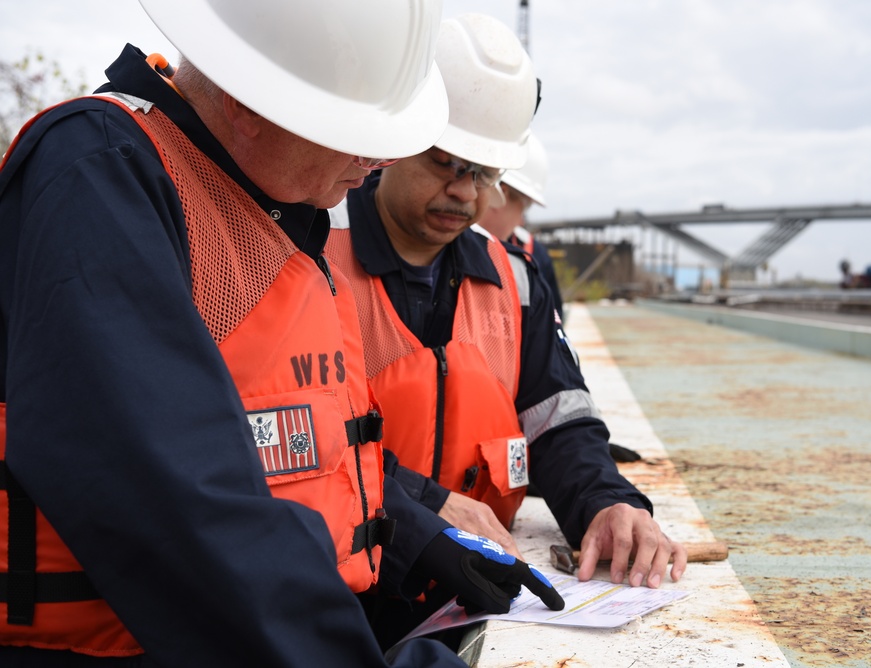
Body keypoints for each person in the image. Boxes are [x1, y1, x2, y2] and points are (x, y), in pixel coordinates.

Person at [0, 2, 562, 666]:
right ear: (249, 101)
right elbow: (177, 509)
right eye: (356, 129)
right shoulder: (101, 177)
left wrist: (413, 533)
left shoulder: (266, 206)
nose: (380, 159)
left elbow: (304, 440)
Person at [326, 12, 686, 618]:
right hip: (340, 595)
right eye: (445, 162)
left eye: (486, 172)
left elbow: (559, 420)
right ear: (395, 140)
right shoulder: (307, 255)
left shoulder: (514, 281)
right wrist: (422, 504)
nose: (467, 191)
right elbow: (281, 443)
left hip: (472, 595)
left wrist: (606, 503)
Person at [478, 133, 564, 321]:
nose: (521, 222)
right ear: (502, 194)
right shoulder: (445, 250)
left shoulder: (534, 255)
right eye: (523, 210)